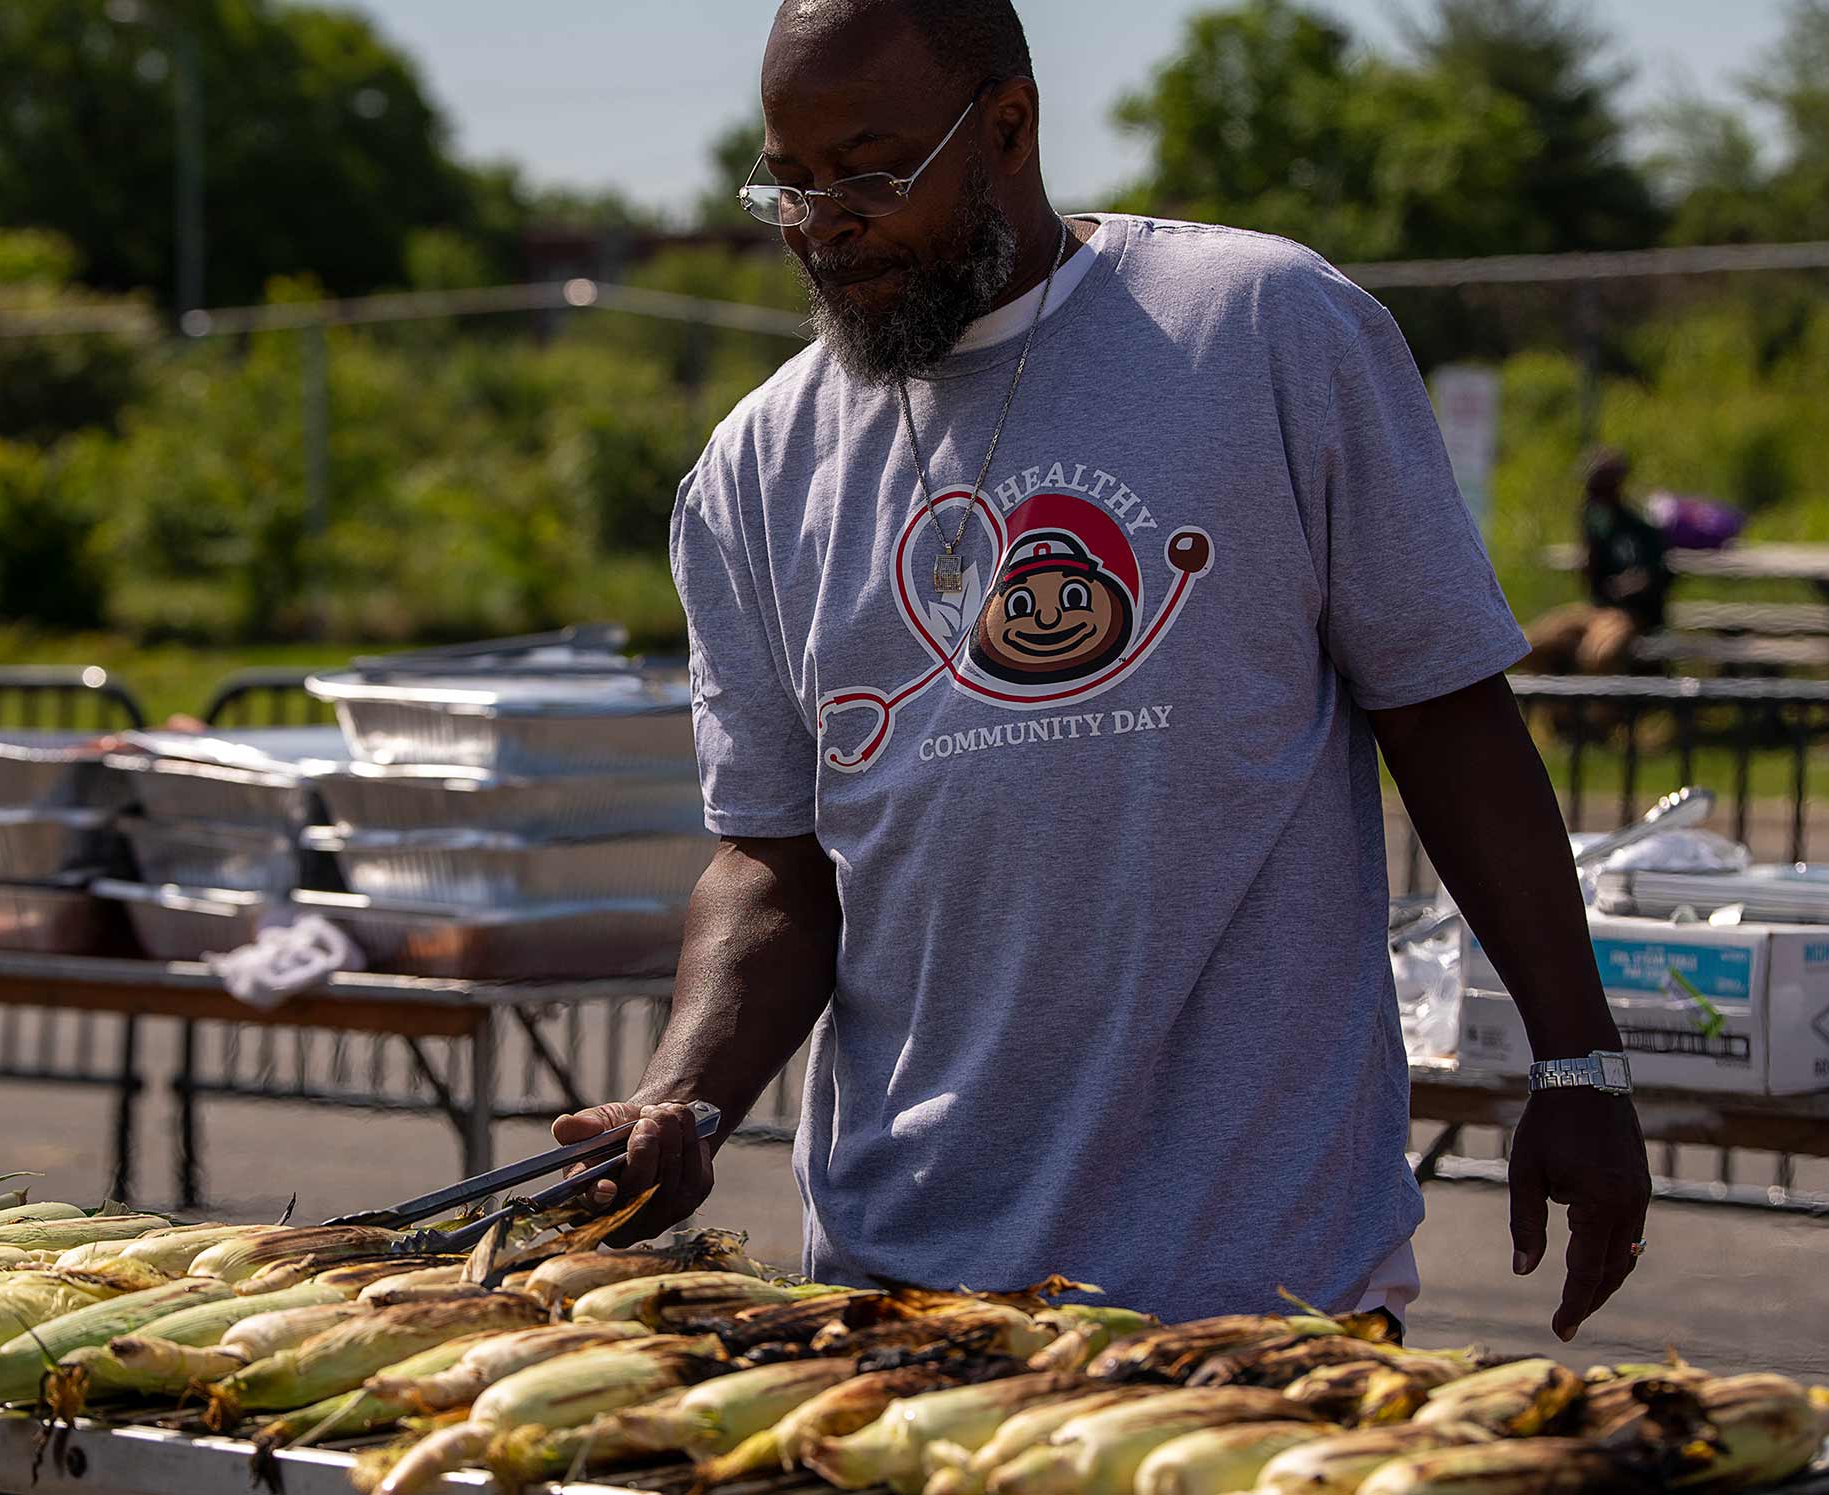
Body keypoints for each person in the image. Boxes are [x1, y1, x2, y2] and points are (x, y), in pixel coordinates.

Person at [555, 0, 1652, 1343]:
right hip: (900, 1285)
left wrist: (1579, 1059)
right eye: (788, 181)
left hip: (1253, 1286)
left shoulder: (1265, 331)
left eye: (869, 172)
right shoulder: (756, 466)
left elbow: (1450, 717)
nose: (820, 223)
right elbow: (776, 860)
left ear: (1007, 126)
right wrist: (682, 1092)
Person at [1523, 447, 1671, 675]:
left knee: (1596, 656)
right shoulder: (1596, 525)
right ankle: (1553, 710)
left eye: (1596, 485)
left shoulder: (1639, 528)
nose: (1589, 492)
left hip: (1629, 616)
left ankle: (1600, 711)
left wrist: (1625, 586)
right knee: (1528, 645)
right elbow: (1590, 576)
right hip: (1594, 611)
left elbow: (1655, 576)